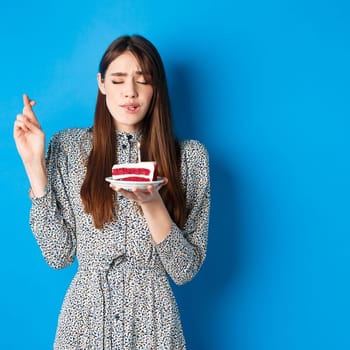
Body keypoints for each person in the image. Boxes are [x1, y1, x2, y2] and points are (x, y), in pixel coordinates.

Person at [13, 34, 210, 349]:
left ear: (156, 87)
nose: (130, 92)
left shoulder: (189, 159)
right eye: (118, 80)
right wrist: (35, 166)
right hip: (84, 325)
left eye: (142, 81)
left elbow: (184, 270)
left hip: (154, 327)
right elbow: (58, 255)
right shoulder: (69, 148)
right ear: (101, 84)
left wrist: (152, 202)